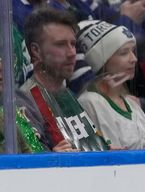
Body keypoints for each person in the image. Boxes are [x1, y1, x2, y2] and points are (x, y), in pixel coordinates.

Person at [16, 8, 108, 152]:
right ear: (36, 51)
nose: (72, 53)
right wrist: (52, 158)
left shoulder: (68, 95)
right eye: (60, 44)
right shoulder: (25, 101)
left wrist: (105, 152)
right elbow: (27, 165)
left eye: (73, 44)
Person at [76, 20, 145, 150]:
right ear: (103, 61)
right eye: (124, 53)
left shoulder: (131, 104)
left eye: (133, 51)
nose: (133, 59)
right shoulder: (90, 103)